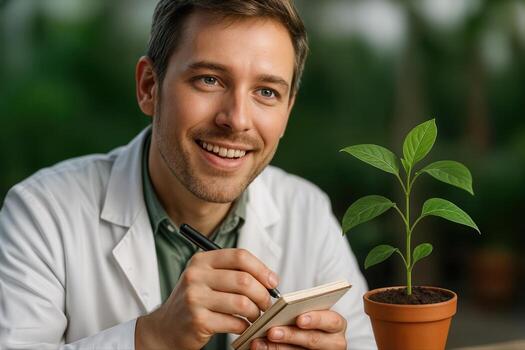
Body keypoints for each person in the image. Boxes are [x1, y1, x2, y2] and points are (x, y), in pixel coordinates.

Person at [0, 1, 376, 349]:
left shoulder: (307, 212)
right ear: (149, 87)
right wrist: (153, 337)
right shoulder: (40, 212)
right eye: (209, 79)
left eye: (266, 91)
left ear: (288, 110)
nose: (237, 120)